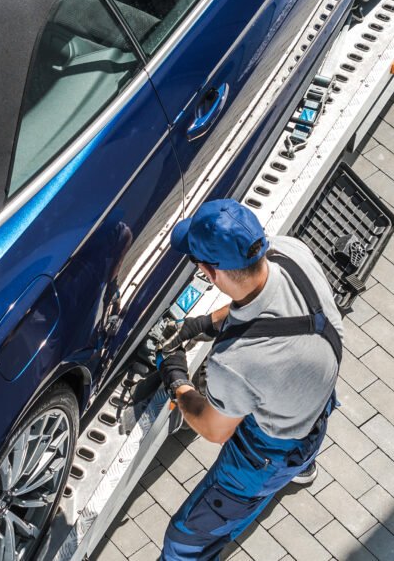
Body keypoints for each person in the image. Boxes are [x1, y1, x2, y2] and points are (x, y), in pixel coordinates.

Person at [158, 199, 342, 561]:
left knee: (184, 539)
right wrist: (203, 325)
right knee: (289, 428)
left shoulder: (236, 362)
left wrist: (177, 380)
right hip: (314, 399)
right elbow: (257, 300)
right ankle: (300, 468)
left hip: (269, 454)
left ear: (210, 272)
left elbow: (214, 429)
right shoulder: (291, 253)